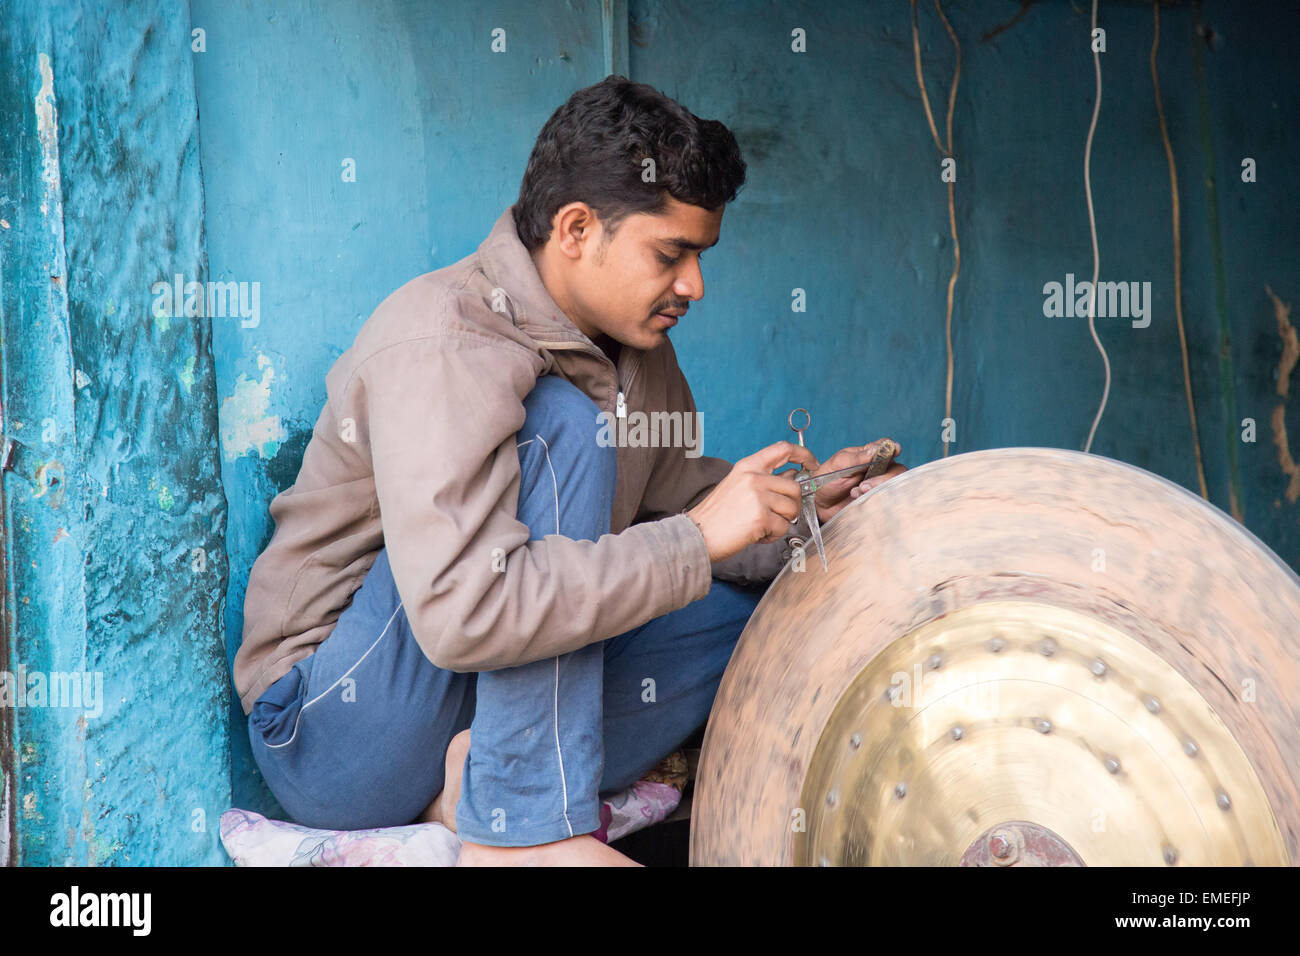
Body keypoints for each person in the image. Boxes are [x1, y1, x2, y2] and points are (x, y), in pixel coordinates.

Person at [232, 75, 906, 866]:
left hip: (480, 712)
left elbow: (688, 514)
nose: (694, 285)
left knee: (767, 608)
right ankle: (518, 833)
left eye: (701, 255)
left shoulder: (638, 356)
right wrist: (695, 538)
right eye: (671, 253)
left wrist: (818, 511)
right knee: (568, 428)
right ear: (577, 229)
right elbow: (466, 611)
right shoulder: (443, 340)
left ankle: (472, 785)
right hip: (338, 734)